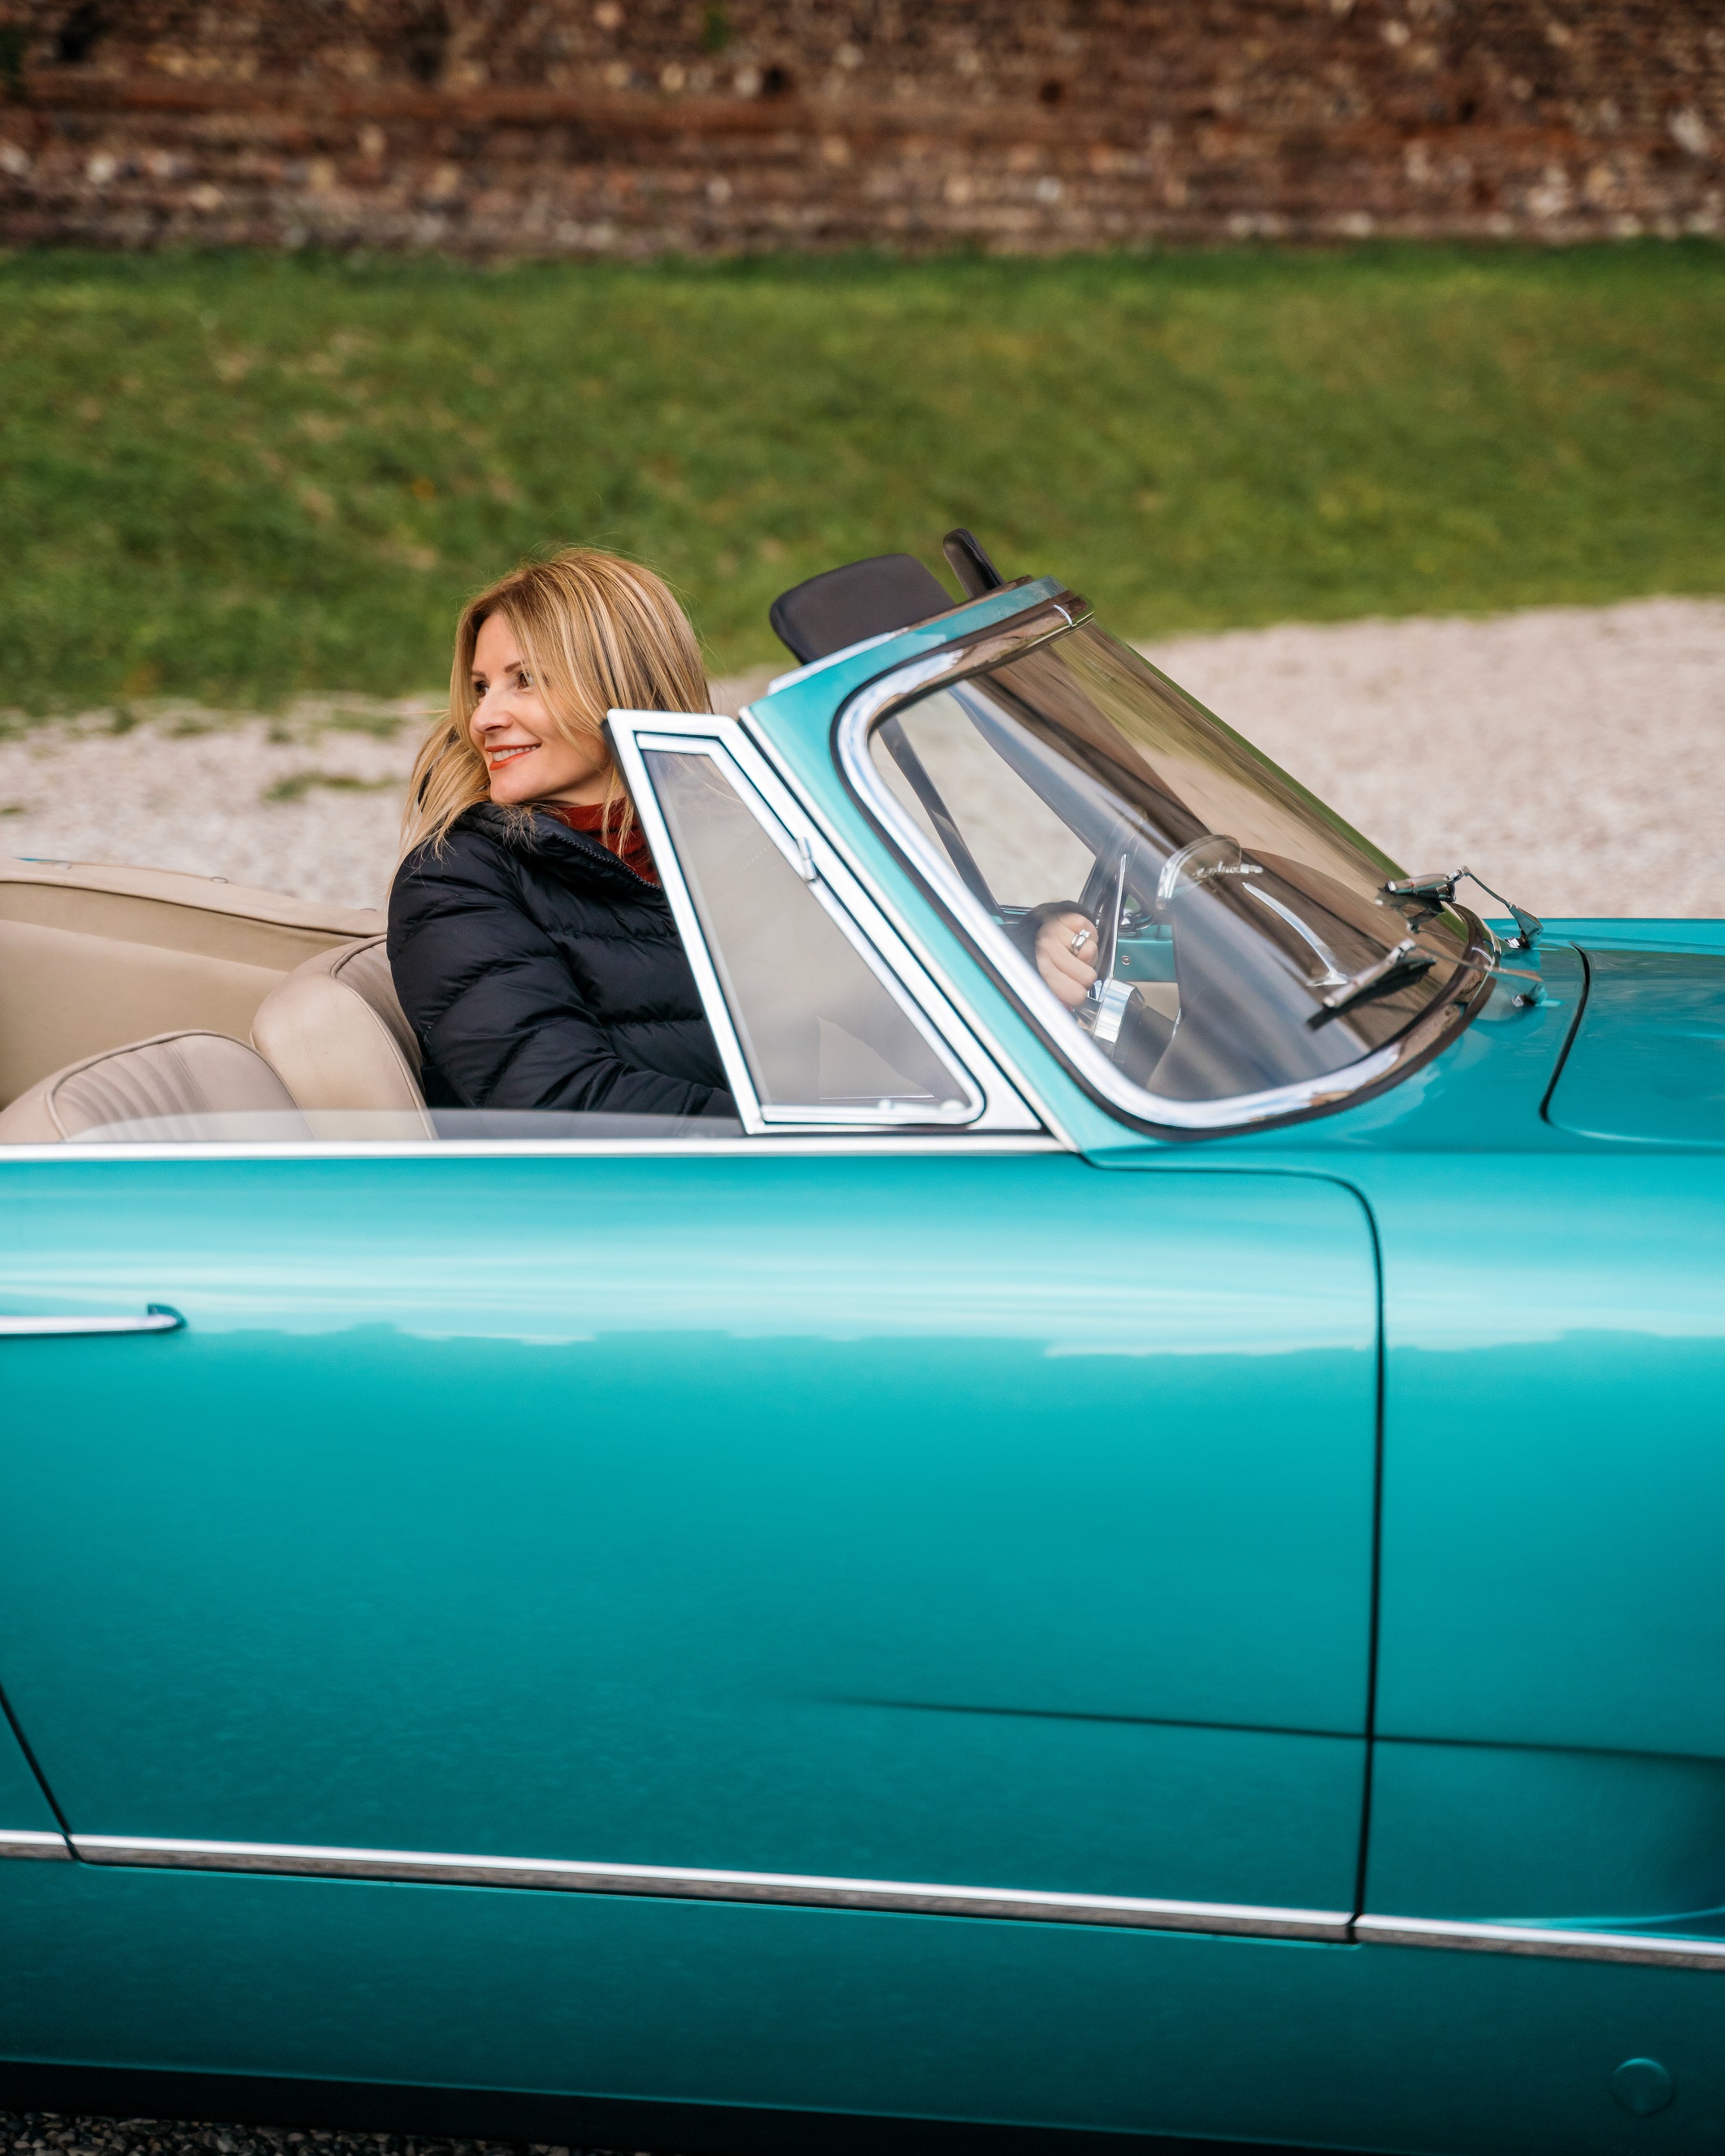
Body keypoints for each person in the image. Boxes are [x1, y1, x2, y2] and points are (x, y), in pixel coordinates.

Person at [389, 549, 736, 1119]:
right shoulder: (453, 881)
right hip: (620, 1198)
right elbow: (559, 1102)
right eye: (481, 688)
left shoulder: (727, 845)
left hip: (772, 1185)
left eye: (523, 681)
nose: (483, 719)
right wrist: (820, 1150)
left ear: (619, 684)